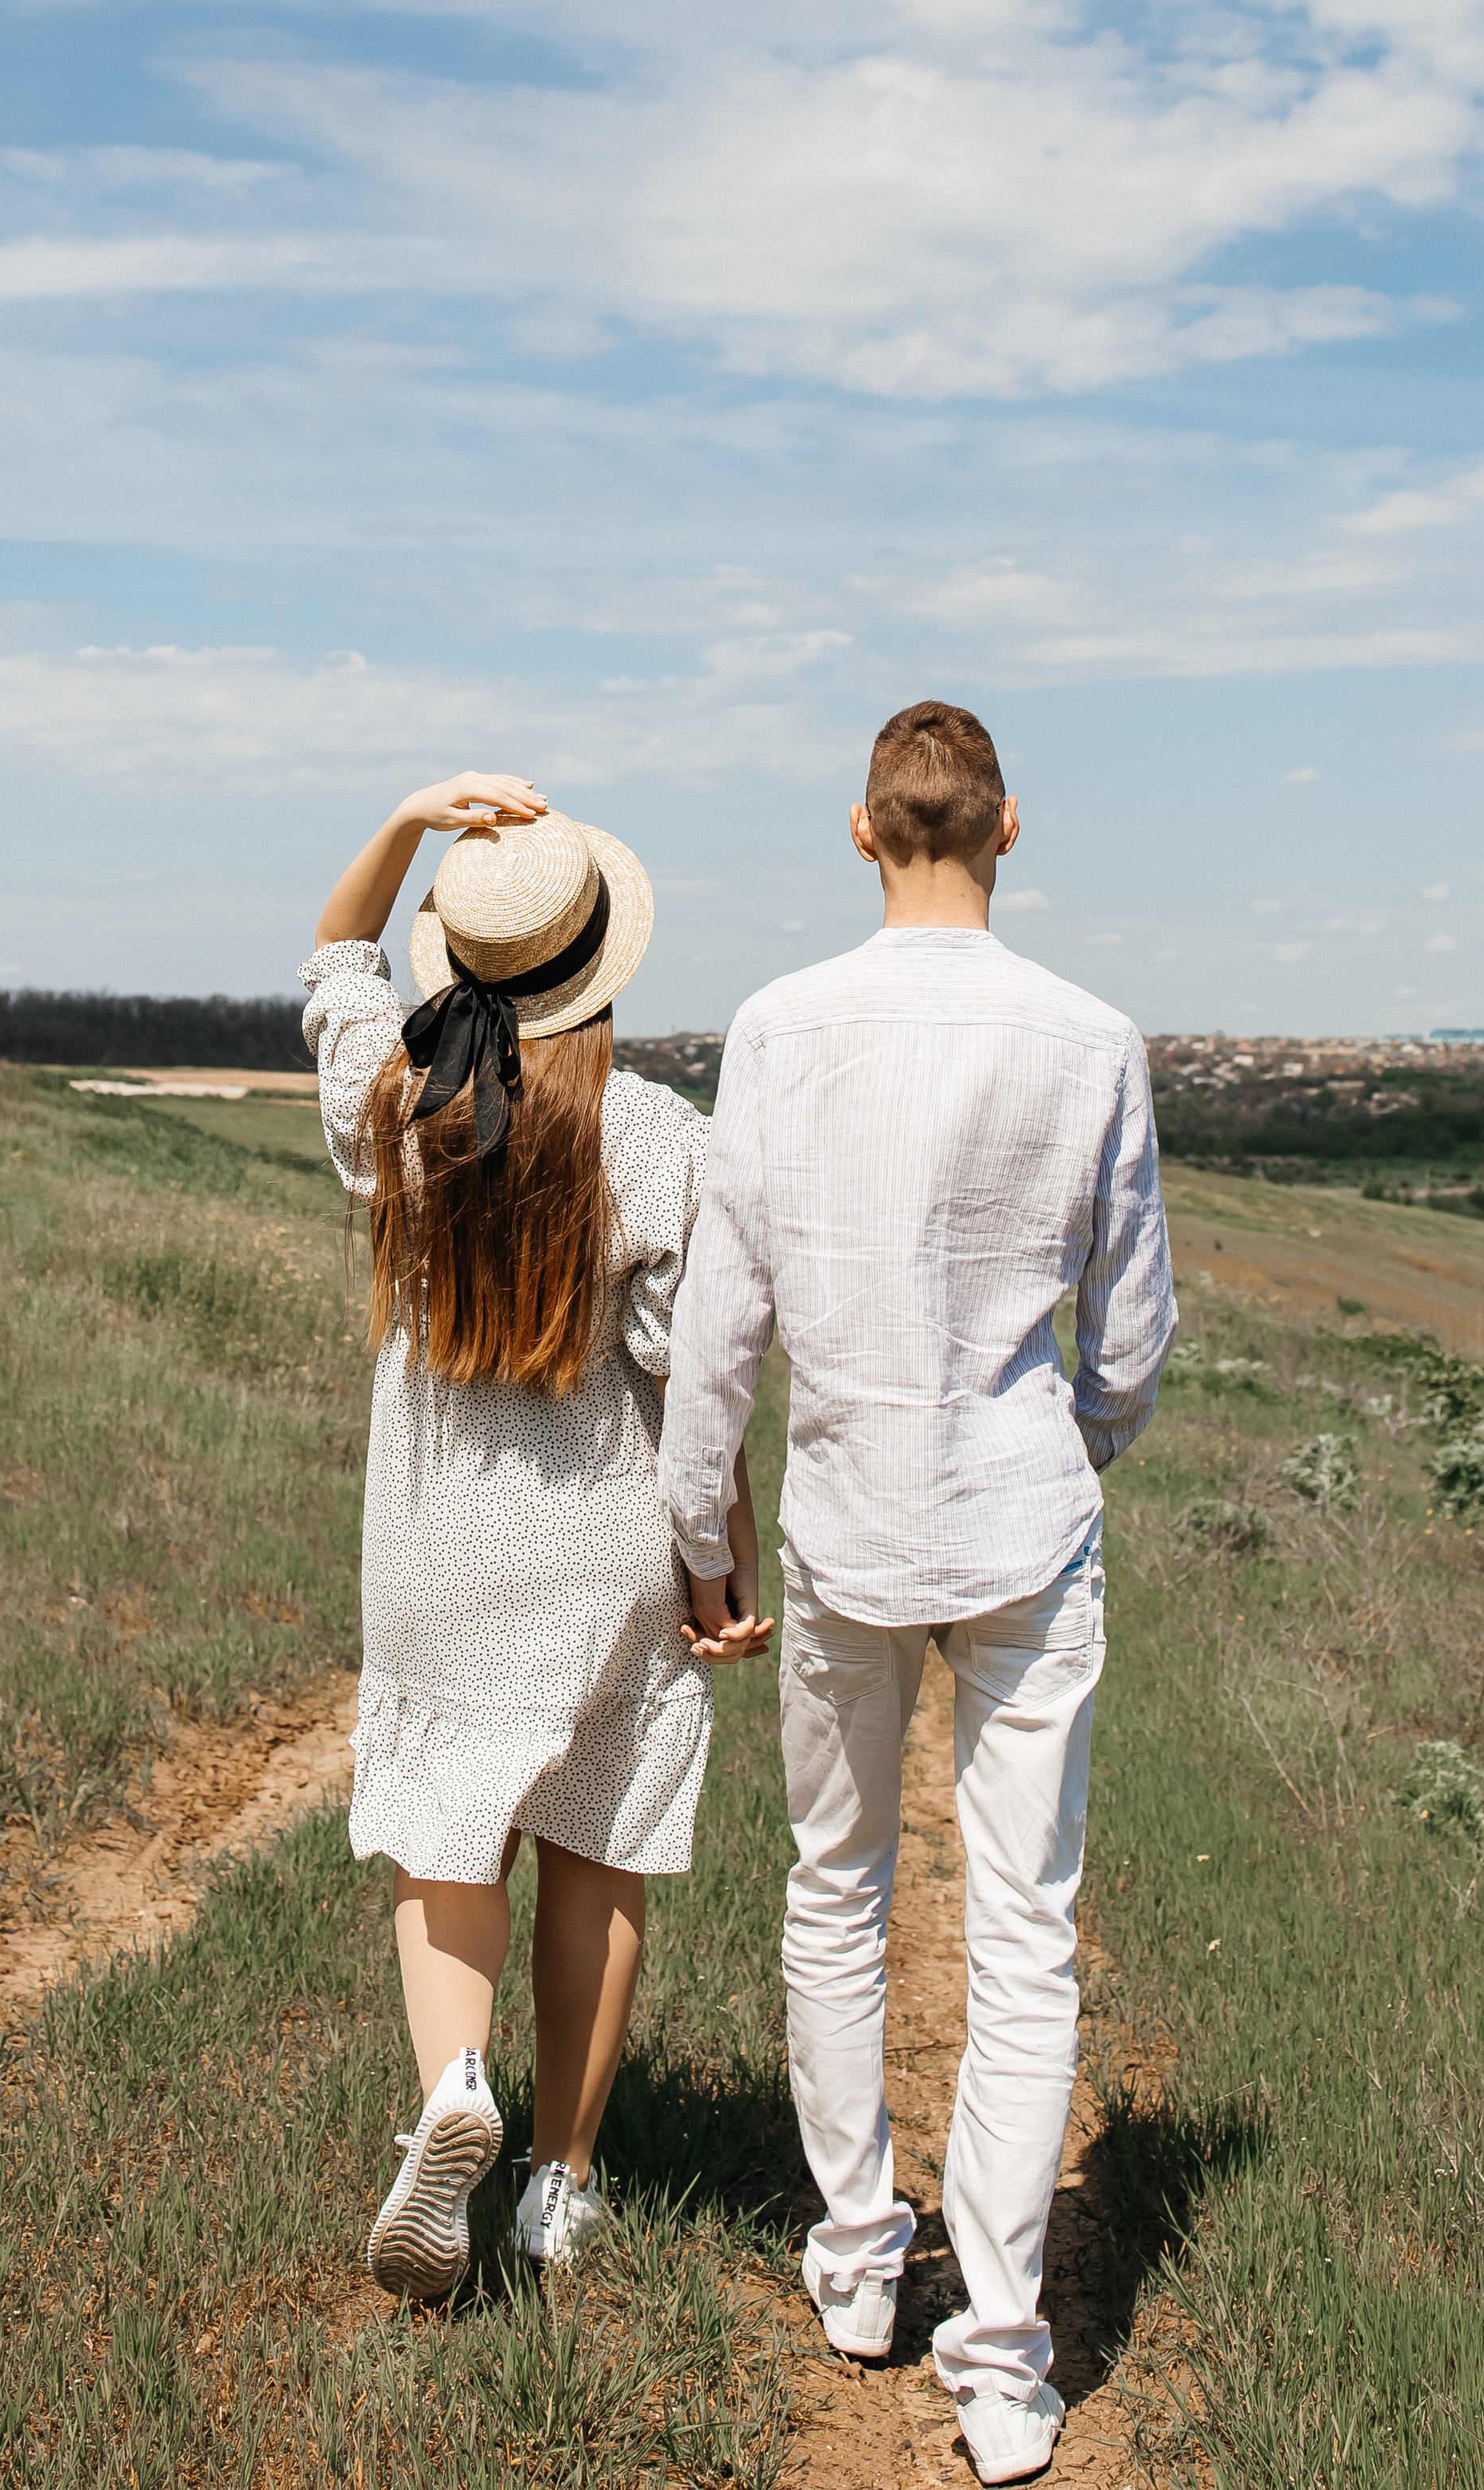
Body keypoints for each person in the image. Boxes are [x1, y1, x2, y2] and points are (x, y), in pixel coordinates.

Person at [658, 702, 1175, 2489]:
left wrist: (696, 1523)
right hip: (1022, 1513)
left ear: (862, 830)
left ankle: (860, 2262)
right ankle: (1008, 2358)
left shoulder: (781, 1029)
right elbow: (1126, 1332)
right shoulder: (1089, 1038)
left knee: (837, 1887)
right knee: (1022, 1932)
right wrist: (1067, 1444)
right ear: (1006, 827)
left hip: (847, 1511)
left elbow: (722, 1315)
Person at [303, 770, 772, 2305]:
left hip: (436, 1532)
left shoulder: (398, 1105)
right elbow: (688, 1380)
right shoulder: (659, 1141)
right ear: (600, 962)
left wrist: (403, 822)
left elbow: (334, 961)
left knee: (445, 1827)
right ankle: (560, 2186)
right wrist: (721, 1562)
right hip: (603, 1541)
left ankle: (454, 2092)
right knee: (599, 1845)